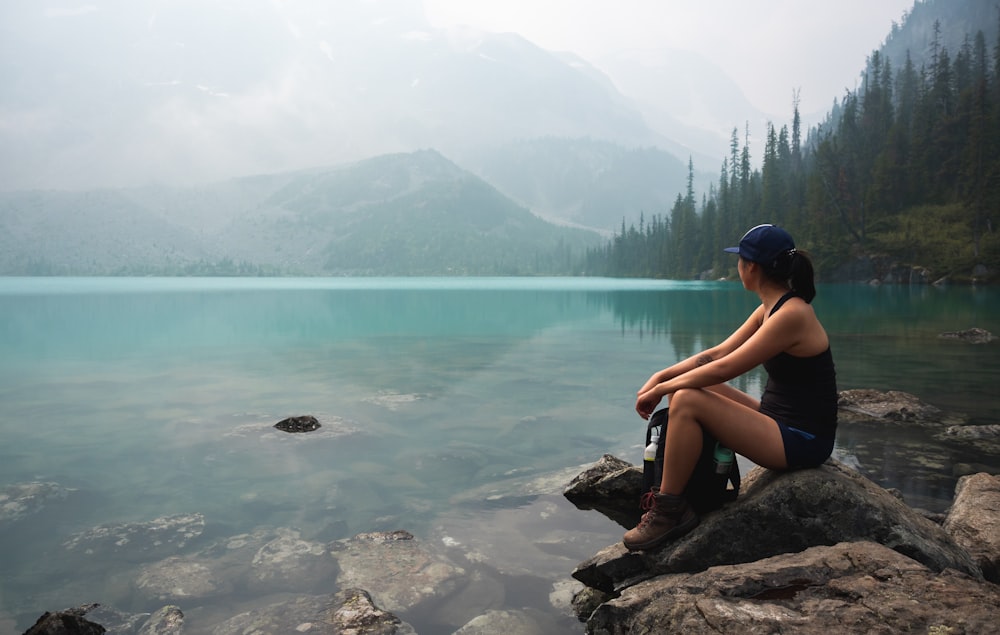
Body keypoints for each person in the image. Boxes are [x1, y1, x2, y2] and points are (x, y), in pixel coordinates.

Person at [623, 223, 838, 551]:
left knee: (688, 400)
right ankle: (695, 488)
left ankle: (669, 511)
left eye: (739, 261)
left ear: (751, 267)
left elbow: (726, 366)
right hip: (778, 420)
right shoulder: (771, 308)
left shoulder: (791, 315)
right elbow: (716, 354)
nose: (737, 267)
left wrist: (662, 389)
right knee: (683, 391)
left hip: (803, 440)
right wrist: (660, 378)